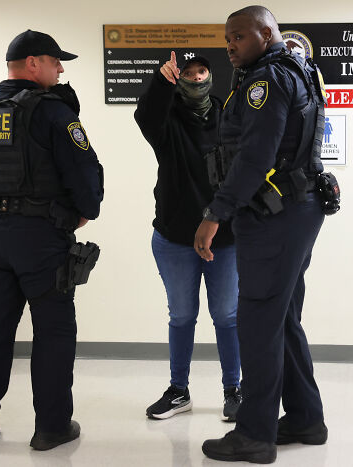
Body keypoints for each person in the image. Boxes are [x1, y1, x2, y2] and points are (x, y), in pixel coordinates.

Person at [0, 29, 103, 451]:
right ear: (33, 63)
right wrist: (85, 211)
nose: (60, 68)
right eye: (55, 61)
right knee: (52, 330)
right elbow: (84, 171)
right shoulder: (51, 111)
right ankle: (51, 427)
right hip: (40, 238)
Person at [194, 6, 329, 464]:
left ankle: (253, 435)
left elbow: (255, 156)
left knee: (258, 323)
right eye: (227, 38)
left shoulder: (265, 81)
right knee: (282, 318)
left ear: (267, 32)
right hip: (296, 209)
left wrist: (215, 213)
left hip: (275, 216)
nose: (230, 45)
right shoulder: (298, 68)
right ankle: (307, 419)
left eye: (239, 36)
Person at [134, 51, 242, 421]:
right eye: (189, 73)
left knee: (227, 316)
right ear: (178, 79)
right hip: (175, 237)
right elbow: (145, 116)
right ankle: (179, 390)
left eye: (202, 72)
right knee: (182, 316)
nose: (196, 78)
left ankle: (234, 389)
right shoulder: (167, 120)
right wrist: (160, 82)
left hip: (225, 238)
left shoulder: (228, 114)